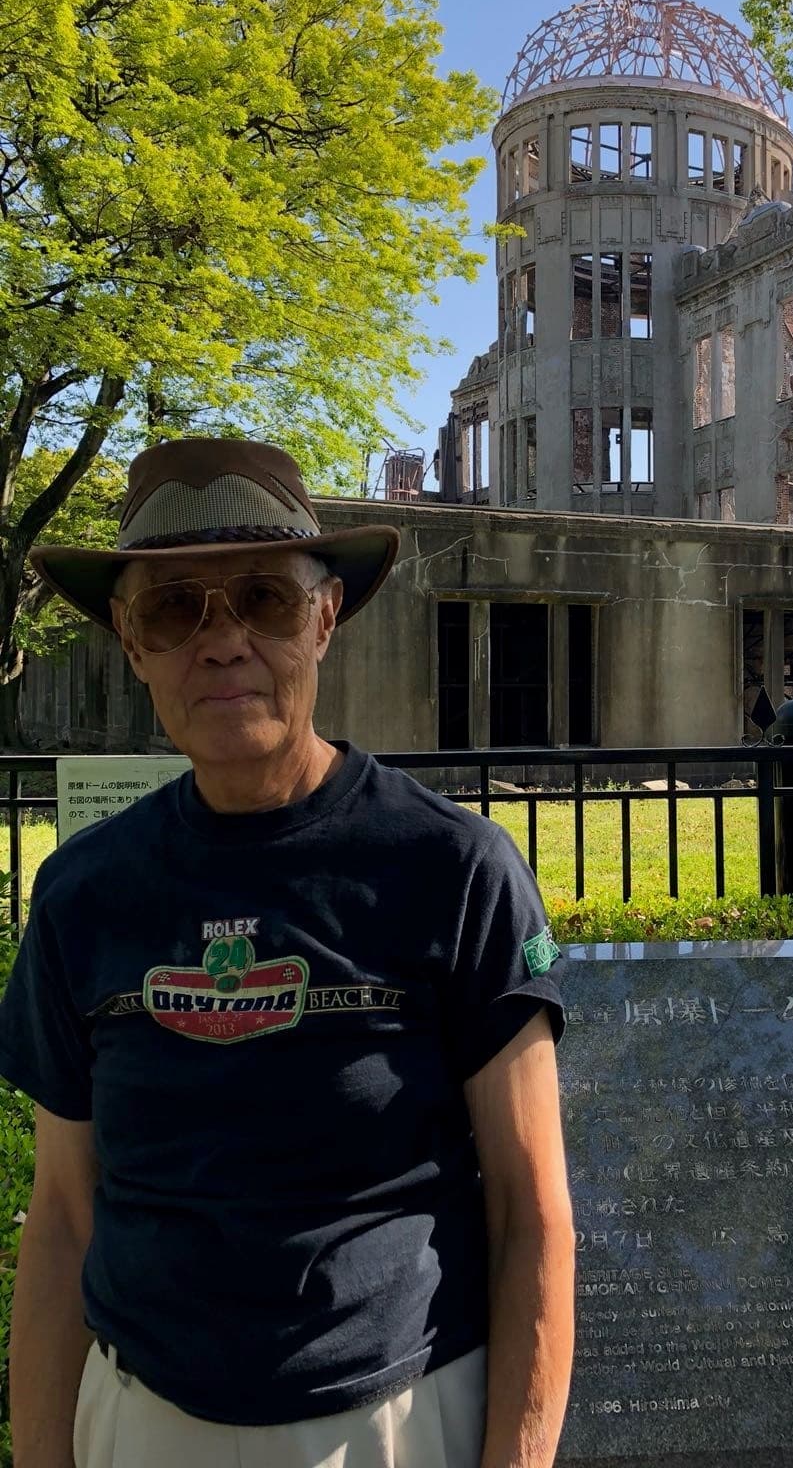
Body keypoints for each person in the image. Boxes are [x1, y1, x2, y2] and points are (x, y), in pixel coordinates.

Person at [0, 438, 575, 1468]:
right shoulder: (85, 895)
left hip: (397, 1420)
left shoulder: (452, 869)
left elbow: (531, 1213)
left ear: (324, 618)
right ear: (132, 646)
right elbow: (62, 1216)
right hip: (140, 1420)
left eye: (261, 597)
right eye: (174, 609)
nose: (220, 644)